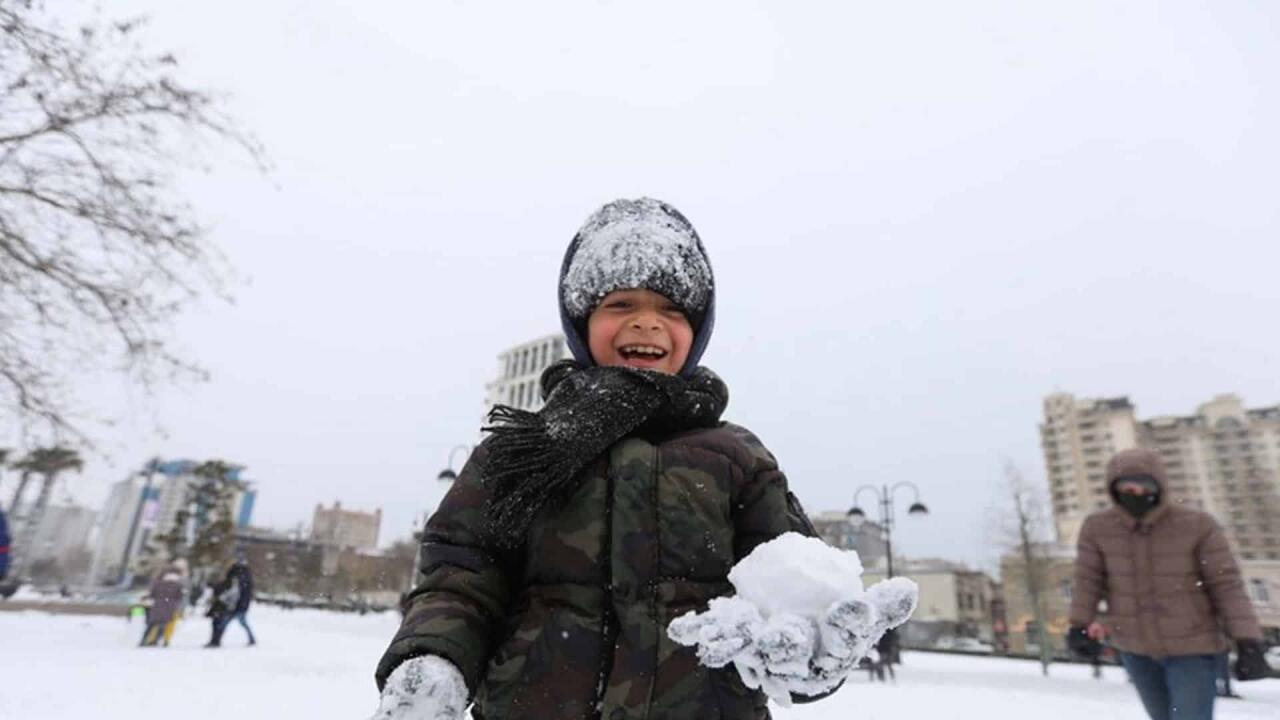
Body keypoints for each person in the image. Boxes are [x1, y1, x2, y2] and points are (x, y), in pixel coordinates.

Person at [370, 198, 895, 719]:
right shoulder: (520, 450)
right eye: (621, 305)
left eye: (671, 310)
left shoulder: (738, 459)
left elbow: (792, 586)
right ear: (582, 323)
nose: (647, 324)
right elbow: (462, 577)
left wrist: (808, 644)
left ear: (696, 332)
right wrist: (434, 655)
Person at [1066, 448, 1272, 720]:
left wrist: (1247, 640)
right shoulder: (1098, 528)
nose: (1135, 493)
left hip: (1193, 648)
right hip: (1135, 648)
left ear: (1159, 485)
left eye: (1143, 485)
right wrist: (1079, 624)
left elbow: (1225, 584)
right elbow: (1088, 579)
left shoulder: (1197, 525)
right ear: (1113, 489)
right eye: (1126, 487)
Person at [205, 557, 256, 647]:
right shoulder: (245, 577)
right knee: (240, 623)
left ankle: (216, 640)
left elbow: (234, 592)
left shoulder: (238, 578)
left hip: (235, 606)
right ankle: (216, 640)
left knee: (224, 623)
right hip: (237, 605)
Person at [140, 563, 186, 647]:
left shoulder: (159, 583)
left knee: (151, 624)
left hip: (157, 606)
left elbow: (152, 594)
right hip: (170, 607)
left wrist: (145, 597)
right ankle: (155, 640)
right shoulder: (178, 585)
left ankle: (144, 640)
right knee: (163, 624)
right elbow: (180, 597)